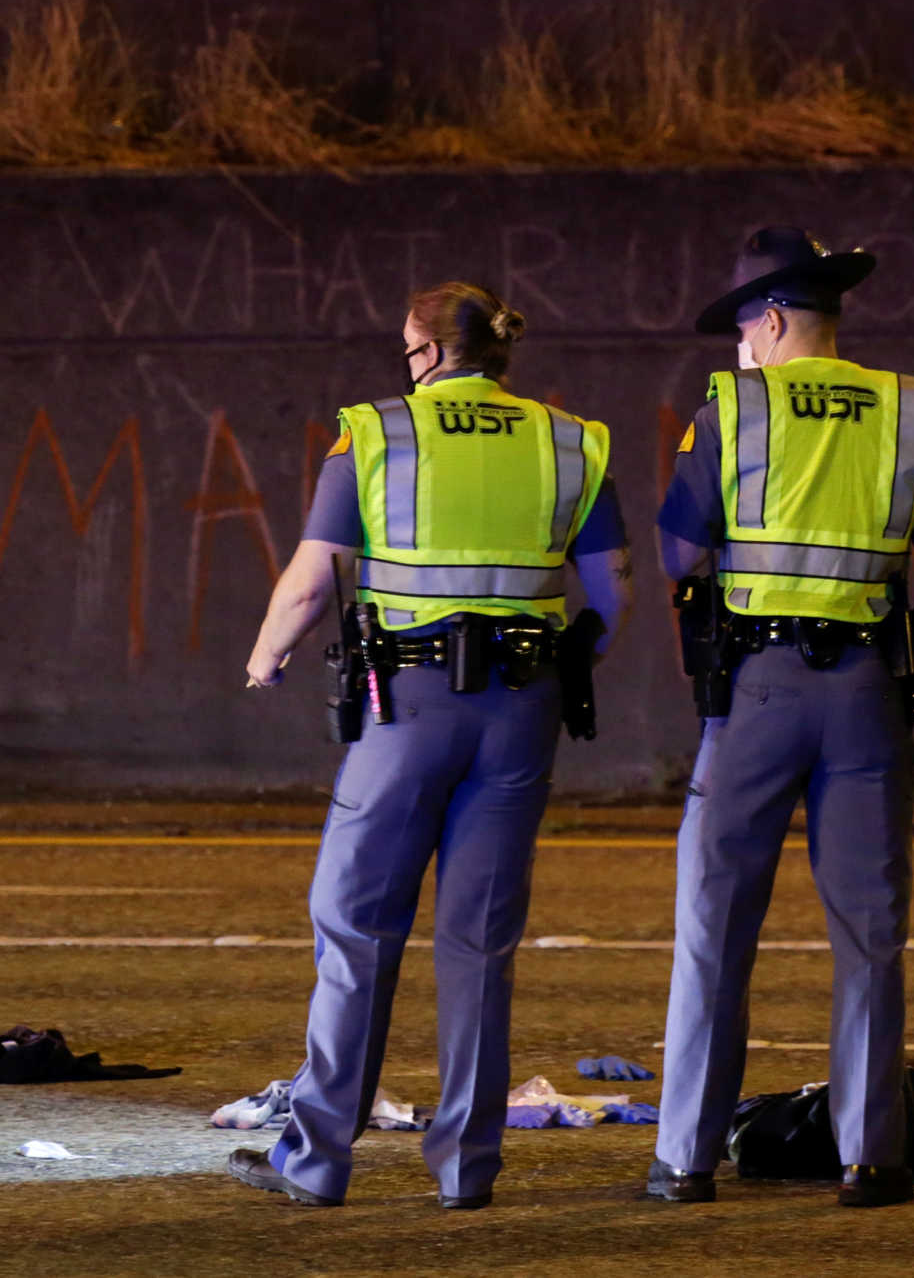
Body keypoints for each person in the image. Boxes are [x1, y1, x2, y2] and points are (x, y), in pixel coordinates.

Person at [228, 281, 635, 1211]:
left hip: (407, 707)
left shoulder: (376, 434)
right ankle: (466, 1170)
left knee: (355, 922)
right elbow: (612, 600)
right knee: (480, 940)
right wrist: (551, 670)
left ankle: (319, 1158)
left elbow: (309, 582)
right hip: (522, 709)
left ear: (424, 348)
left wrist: (265, 657)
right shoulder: (572, 440)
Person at [644, 227, 914, 1211]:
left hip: (757, 694)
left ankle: (686, 1160)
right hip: (871, 696)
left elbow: (672, 558)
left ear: (773, 319)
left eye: (744, 326)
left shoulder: (732, 408)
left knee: (715, 928)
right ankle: (871, 1158)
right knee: (869, 938)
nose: (740, 345)